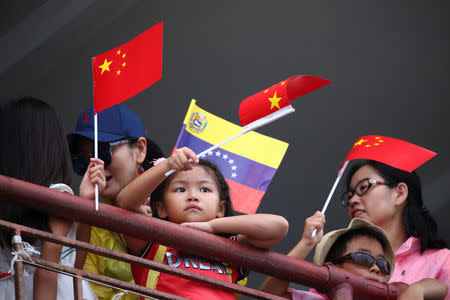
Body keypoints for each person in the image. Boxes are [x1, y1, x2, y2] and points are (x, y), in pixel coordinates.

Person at [113, 147, 289, 300]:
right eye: (180, 189)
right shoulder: (152, 243)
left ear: (221, 208)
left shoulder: (231, 248)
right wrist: (167, 166)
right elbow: (125, 202)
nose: (193, 196)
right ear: (161, 208)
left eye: (204, 189)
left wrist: (212, 227)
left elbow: (279, 226)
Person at [0, 97, 96, 300]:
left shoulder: (8, 198)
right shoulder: (56, 197)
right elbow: (57, 269)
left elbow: (72, 264)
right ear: (52, 147)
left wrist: (85, 204)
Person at [69, 104, 164, 300]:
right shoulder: (90, 225)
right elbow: (79, 289)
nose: (95, 166)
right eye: (83, 160)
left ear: (139, 150)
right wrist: (85, 208)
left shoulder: (177, 198)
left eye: (103, 153)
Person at [260, 216, 448, 299]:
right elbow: (270, 294)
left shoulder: (394, 296)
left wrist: (417, 290)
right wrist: (306, 243)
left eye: (383, 264)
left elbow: (441, 288)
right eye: (364, 259)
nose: (376, 268)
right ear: (332, 268)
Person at [342, 160, 450, 297]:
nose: (353, 200)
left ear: (399, 193)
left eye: (363, 188)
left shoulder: (443, 262)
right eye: (350, 196)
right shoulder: (343, 261)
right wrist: (305, 247)